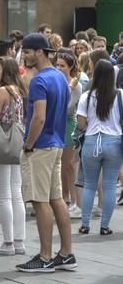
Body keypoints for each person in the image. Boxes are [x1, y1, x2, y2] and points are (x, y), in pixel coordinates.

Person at [16, 33, 76, 272]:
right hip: (57, 144)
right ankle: (66, 253)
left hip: (41, 147)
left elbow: (38, 117)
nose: (25, 56)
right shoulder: (61, 78)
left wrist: (28, 144)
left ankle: (45, 256)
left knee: (41, 201)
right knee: (56, 198)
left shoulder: (39, 81)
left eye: (27, 51)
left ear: (39, 51)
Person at [75, 60, 122, 236]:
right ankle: (104, 226)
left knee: (89, 185)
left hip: (92, 141)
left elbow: (81, 123)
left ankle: (85, 225)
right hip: (114, 143)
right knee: (109, 186)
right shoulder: (120, 95)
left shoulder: (86, 96)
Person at [0, 57, 27, 256]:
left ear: (6, 71)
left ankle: (8, 242)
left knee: (3, 194)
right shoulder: (20, 91)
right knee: (16, 193)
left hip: (2, 145)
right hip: (17, 144)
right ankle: (19, 241)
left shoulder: (3, 91)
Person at [54, 51, 83, 219]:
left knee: (69, 166)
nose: (59, 68)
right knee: (62, 167)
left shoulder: (75, 85)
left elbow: (67, 109)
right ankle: (66, 198)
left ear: (71, 67)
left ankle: (75, 202)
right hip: (58, 125)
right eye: (57, 65)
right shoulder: (59, 80)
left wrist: (68, 89)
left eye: (62, 66)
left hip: (69, 126)